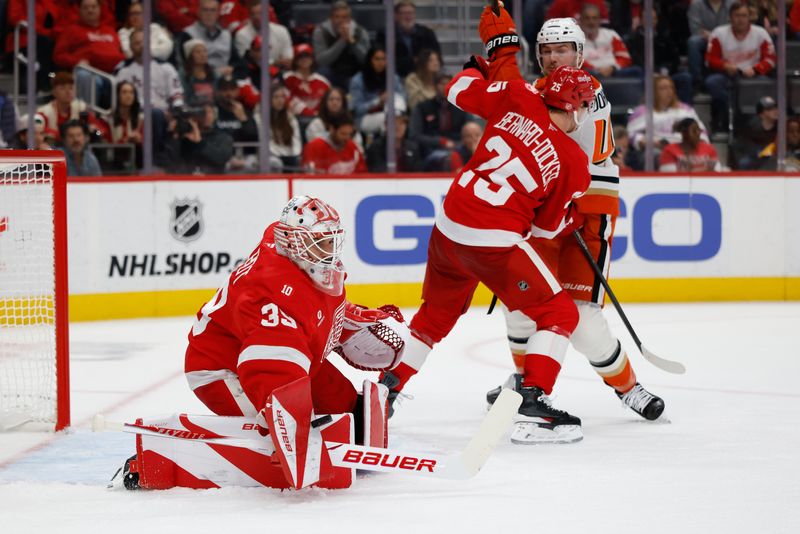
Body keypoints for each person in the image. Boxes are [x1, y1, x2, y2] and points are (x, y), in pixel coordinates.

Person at [379, 45, 598, 445]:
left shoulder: (518, 97)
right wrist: (574, 219)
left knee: (434, 317)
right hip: (493, 240)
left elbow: (458, 90)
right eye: (582, 106)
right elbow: (546, 229)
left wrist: (475, 68)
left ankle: (385, 389)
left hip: (449, 227)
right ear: (572, 107)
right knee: (559, 313)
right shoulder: (574, 162)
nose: (583, 116)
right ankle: (533, 401)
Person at [472, 13, 665, 437]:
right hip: (542, 211)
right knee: (521, 304)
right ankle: (526, 385)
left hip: (586, 208)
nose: (555, 57)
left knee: (580, 314)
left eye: (562, 49)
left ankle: (628, 387)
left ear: (579, 52)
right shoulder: (536, 91)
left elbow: (573, 159)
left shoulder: (586, 90)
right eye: (547, 50)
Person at [179, 195, 407, 489]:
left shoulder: (294, 254)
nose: (331, 250)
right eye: (322, 242)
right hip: (220, 368)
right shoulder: (271, 292)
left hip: (286, 350)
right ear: (297, 243)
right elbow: (269, 368)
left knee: (342, 406)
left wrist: (344, 319)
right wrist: (300, 435)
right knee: (276, 426)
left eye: (332, 240)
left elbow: (307, 310)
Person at [704, 2, 776, 132]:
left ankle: (756, 125)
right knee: (712, 82)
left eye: (744, 15)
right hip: (727, 73)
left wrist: (756, 69)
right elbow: (709, 59)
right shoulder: (718, 33)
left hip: (753, 75)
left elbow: (771, 59)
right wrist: (724, 65)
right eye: (736, 15)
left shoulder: (761, 33)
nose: (740, 19)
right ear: (730, 17)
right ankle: (723, 118)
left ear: (749, 17)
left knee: (766, 84)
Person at [627, 75, 709, 165]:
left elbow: (701, 131)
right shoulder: (642, 111)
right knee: (654, 155)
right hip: (658, 148)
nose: (669, 91)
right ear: (654, 92)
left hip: (685, 147)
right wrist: (647, 142)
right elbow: (631, 135)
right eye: (663, 88)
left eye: (671, 88)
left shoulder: (685, 110)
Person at [408, 73, 469, 171]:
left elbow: (470, 128)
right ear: (435, 86)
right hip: (431, 150)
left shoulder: (461, 107)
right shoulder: (423, 107)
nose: (446, 86)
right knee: (449, 158)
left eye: (449, 83)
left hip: (458, 147)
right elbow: (414, 135)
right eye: (442, 83)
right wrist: (439, 141)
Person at [115, 29, 185, 113]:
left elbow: (176, 94)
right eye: (137, 43)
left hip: (165, 113)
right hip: (137, 113)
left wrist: (176, 111)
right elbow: (120, 98)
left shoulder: (166, 67)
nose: (142, 46)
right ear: (131, 47)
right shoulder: (124, 70)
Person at [312, 1, 371, 90]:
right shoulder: (321, 31)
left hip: (353, 72)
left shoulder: (360, 31)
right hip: (331, 71)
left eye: (344, 17)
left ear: (350, 18)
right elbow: (321, 61)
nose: (341, 20)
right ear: (331, 18)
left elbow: (367, 60)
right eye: (337, 17)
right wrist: (342, 41)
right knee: (323, 71)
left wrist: (352, 43)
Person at [53, 0, 124, 74]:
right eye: (85, 8)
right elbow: (58, 56)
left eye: (93, 7)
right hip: (89, 71)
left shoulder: (110, 30)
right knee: (83, 74)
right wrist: (77, 61)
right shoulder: (71, 31)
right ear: (79, 11)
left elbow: (119, 52)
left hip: (116, 71)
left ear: (100, 9)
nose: (90, 10)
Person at [349, 46, 407, 136]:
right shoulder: (358, 80)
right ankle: (387, 148)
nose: (381, 63)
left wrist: (393, 98)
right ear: (370, 60)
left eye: (384, 59)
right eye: (377, 59)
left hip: (391, 112)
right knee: (389, 120)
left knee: (399, 119)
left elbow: (403, 97)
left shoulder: (392, 77)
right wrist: (377, 101)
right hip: (364, 118)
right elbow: (357, 109)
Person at [376, 1, 441, 78]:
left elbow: (437, 56)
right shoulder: (385, 34)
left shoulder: (427, 33)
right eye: (404, 13)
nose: (408, 16)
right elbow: (384, 60)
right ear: (396, 15)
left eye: (411, 13)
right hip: (395, 78)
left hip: (423, 78)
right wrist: (413, 61)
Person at [579, 3, 642, 79]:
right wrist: (597, 70)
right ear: (581, 20)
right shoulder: (575, 39)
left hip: (615, 72)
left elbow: (625, 58)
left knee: (637, 71)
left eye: (594, 18)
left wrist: (612, 68)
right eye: (587, 18)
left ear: (599, 20)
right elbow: (576, 61)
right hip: (591, 75)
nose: (591, 22)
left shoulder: (610, 34)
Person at [233, 0, 292, 71]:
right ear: (249, 16)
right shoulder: (242, 34)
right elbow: (246, 62)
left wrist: (275, 63)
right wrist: (275, 62)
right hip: (253, 73)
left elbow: (288, 59)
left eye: (260, 13)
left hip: (279, 72)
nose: (256, 17)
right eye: (253, 14)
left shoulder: (281, 31)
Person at [182, 0, 236, 76]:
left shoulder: (226, 35)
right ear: (198, 12)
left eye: (213, 10)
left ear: (218, 13)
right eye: (205, 10)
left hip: (227, 80)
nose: (209, 14)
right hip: (202, 80)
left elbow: (238, 63)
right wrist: (215, 73)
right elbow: (186, 66)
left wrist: (232, 68)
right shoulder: (188, 34)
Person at [687, 0, 734, 87]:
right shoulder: (696, 4)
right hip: (704, 39)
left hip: (726, 39)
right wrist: (714, 37)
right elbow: (696, 29)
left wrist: (713, 35)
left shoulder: (732, 3)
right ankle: (696, 81)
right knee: (693, 42)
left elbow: (734, 26)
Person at [302, 114, 367, 175]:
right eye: (343, 134)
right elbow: (310, 176)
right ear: (332, 129)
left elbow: (362, 174)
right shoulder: (314, 146)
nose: (347, 138)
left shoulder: (352, 146)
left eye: (350, 134)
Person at [283, 44, 331, 124]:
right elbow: (286, 100)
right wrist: (309, 112)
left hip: (318, 121)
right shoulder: (287, 78)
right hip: (293, 120)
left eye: (307, 56)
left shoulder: (323, 81)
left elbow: (328, 102)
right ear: (296, 60)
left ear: (312, 59)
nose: (304, 59)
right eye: (301, 57)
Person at [731, 95, 777, 170]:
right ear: (761, 114)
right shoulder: (751, 129)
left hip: (775, 159)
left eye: (775, 108)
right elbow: (743, 145)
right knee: (744, 163)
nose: (775, 111)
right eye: (769, 109)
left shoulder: (782, 127)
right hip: (756, 158)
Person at [267, 82, 303, 172]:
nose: (280, 100)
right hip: (272, 155)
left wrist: (293, 155)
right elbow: (267, 142)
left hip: (290, 154)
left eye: (282, 97)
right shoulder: (261, 117)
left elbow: (296, 139)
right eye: (276, 97)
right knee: (276, 163)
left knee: (298, 161)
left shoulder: (290, 117)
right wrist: (282, 155)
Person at [214, 76, 258, 143]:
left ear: (238, 90)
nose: (228, 93)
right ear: (219, 91)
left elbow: (253, 137)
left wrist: (244, 119)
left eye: (232, 89)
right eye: (225, 89)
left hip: (242, 151)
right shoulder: (213, 110)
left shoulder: (245, 110)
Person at [181, 40, 217, 104]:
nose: (203, 55)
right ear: (190, 56)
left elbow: (217, 95)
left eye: (205, 51)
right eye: (198, 52)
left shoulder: (213, 73)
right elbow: (186, 98)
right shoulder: (183, 74)